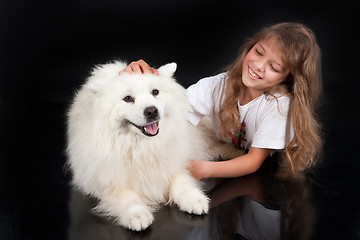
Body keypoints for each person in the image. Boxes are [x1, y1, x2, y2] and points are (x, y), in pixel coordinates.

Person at [120, 22, 323, 180]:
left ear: (288, 77)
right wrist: (143, 78)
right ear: (250, 47)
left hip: (252, 168)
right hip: (225, 147)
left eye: (274, 67)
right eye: (259, 52)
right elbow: (176, 109)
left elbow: (253, 161)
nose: (259, 66)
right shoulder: (218, 85)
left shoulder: (279, 107)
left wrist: (204, 169)